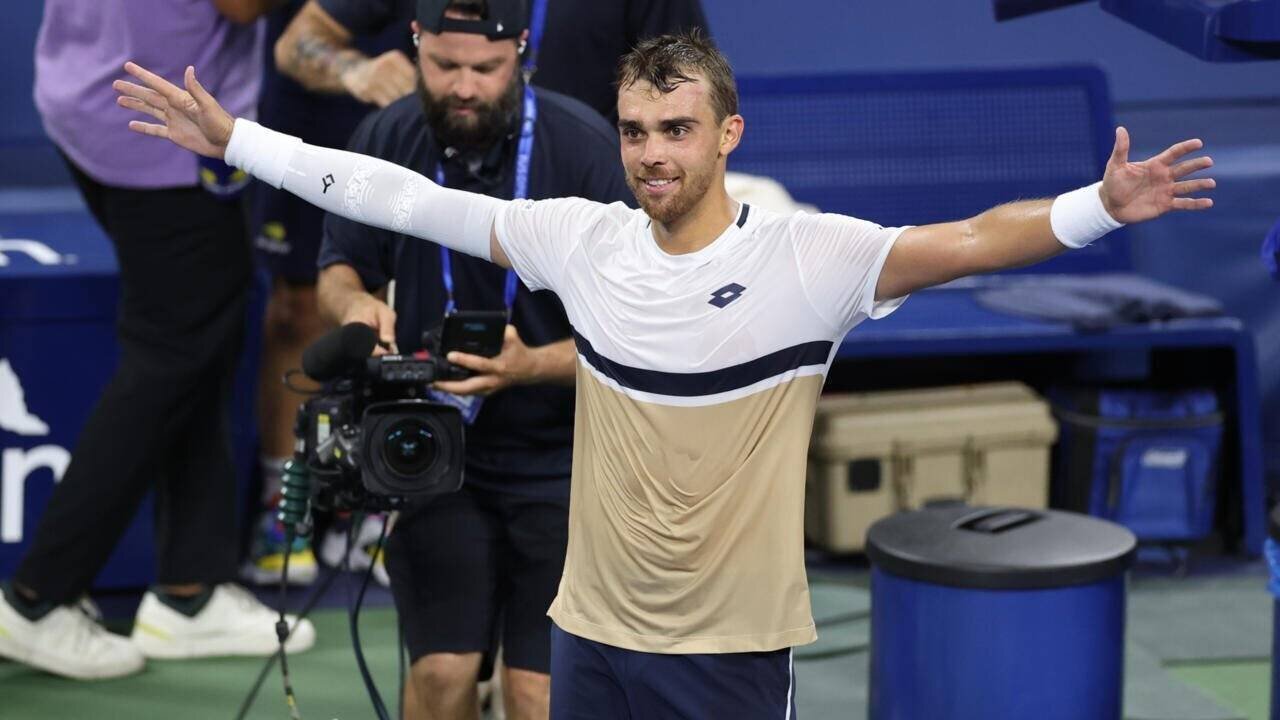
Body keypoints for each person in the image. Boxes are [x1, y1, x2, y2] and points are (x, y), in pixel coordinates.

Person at [116, 29, 1216, 717]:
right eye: (637, 129)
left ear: (726, 133)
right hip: (594, 638)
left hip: (732, 657)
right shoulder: (581, 243)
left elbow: (972, 237)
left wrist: (1094, 209)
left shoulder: (809, 259)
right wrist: (238, 140)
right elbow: (395, 196)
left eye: (676, 129)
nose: (651, 152)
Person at [323, 1, 632, 717]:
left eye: (486, 69)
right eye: (444, 64)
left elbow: (648, 344)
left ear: (522, 51)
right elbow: (338, 275)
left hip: (566, 461)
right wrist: (353, 309)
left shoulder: (584, 150)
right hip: (433, 450)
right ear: (415, 43)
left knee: (537, 696)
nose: (464, 85)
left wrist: (537, 365)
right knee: (441, 677)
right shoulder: (386, 137)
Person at [0, 0, 316, 682]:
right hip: (164, 125)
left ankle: (189, 592)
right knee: (174, 349)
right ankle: (37, 598)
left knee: (200, 337)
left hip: (94, 91)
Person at [243, 0, 412, 590]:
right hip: (312, 111)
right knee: (298, 309)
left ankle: (377, 493)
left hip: (424, 103)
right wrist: (353, 72)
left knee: (403, 300)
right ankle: (281, 502)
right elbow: (293, 44)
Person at [274, 0, 709, 120]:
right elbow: (296, 42)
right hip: (444, 192)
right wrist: (357, 71)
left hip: (585, 203)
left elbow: (685, 82)